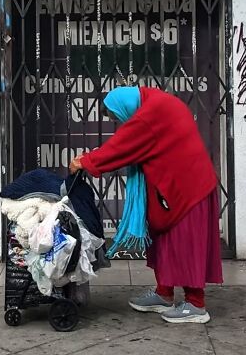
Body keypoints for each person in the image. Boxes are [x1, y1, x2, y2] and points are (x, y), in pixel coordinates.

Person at [69, 86, 223, 324]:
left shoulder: (151, 113)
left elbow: (123, 146)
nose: (120, 122)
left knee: (185, 245)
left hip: (188, 190)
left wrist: (85, 162)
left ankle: (196, 304)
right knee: (164, 243)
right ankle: (164, 293)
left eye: (118, 117)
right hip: (176, 188)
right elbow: (131, 142)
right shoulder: (155, 101)